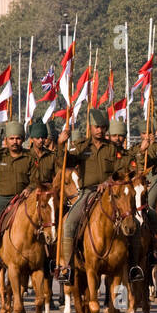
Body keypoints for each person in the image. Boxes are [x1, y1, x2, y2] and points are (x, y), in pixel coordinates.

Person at [55, 109, 131, 283]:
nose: (100, 130)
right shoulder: (81, 146)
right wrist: (60, 145)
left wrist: (109, 181)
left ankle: (133, 264)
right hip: (87, 192)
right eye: (97, 127)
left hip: (111, 192)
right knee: (68, 224)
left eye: (103, 127)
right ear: (90, 127)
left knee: (132, 221)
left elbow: (122, 169)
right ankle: (67, 266)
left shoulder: (112, 148)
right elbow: (63, 162)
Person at [0, 121, 37, 278]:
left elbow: (36, 180)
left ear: (22, 139)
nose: (15, 142)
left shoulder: (29, 158)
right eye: (11, 138)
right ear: (6, 140)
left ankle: (43, 259)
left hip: (23, 199)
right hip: (3, 199)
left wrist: (29, 189)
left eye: (18, 138)